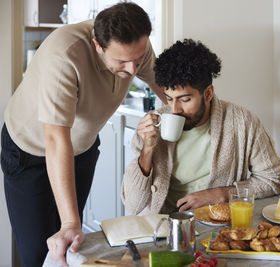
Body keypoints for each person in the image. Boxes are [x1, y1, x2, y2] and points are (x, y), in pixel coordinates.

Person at [0, 3, 165, 267]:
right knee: (40, 253)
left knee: (72, 247)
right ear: (97, 45)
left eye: (138, 58)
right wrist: (70, 223)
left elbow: (165, 86)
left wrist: (191, 113)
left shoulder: (135, 48)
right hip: (29, 152)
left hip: (81, 149)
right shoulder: (65, 55)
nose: (133, 70)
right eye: (122, 61)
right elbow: (55, 139)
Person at [121, 39, 280, 215]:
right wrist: (147, 150)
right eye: (169, 99)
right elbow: (133, 205)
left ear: (208, 93)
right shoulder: (154, 126)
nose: (175, 110)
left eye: (185, 100)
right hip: (165, 227)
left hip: (217, 229)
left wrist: (220, 194)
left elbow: (274, 179)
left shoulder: (242, 122)